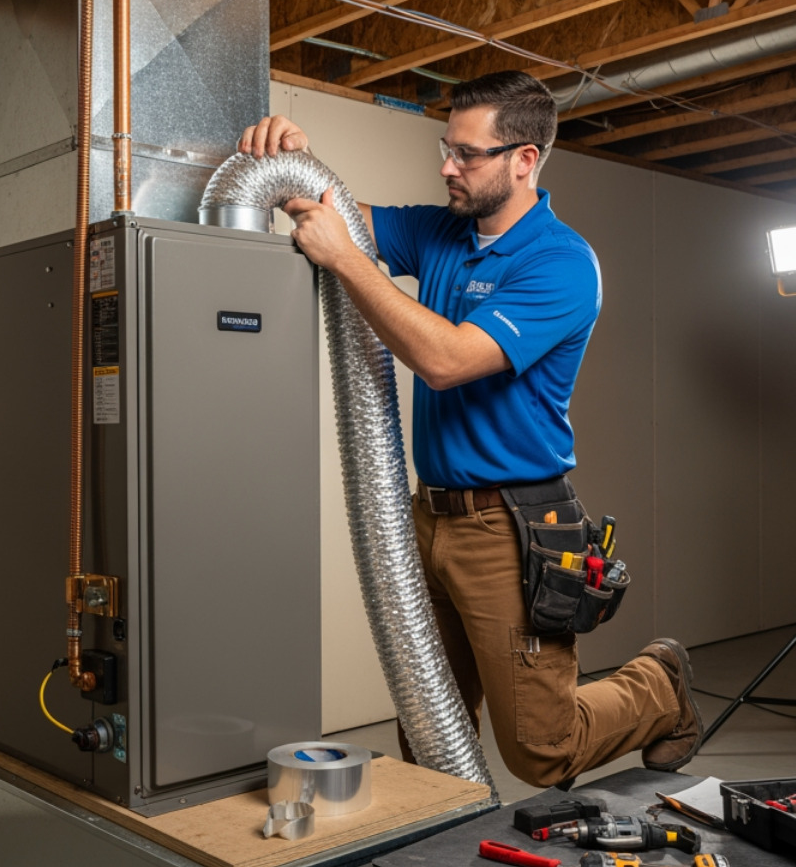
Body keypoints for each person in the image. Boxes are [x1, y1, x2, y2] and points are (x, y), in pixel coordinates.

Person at [238, 71, 701, 788]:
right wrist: (292, 157)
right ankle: (438, 866)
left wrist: (349, 260)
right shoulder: (441, 232)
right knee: (430, 721)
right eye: (445, 148)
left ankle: (660, 686)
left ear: (524, 160)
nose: (448, 167)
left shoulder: (562, 263)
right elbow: (330, 212)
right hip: (431, 516)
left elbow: (446, 359)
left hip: (512, 527)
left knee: (542, 751)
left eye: (468, 155)